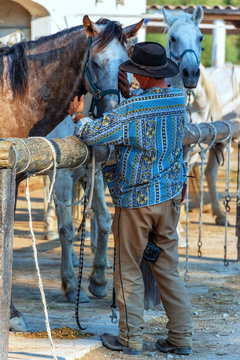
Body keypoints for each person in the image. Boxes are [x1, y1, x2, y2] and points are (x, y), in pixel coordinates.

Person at [68, 42, 193, 356]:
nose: (135, 78)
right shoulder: (179, 100)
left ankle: (130, 338)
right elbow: (150, 113)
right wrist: (131, 97)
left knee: (127, 270)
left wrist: (79, 117)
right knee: (168, 269)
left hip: (136, 201)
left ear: (147, 77)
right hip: (169, 197)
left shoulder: (132, 110)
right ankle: (181, 338)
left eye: (138, 74)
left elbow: (95, 134)